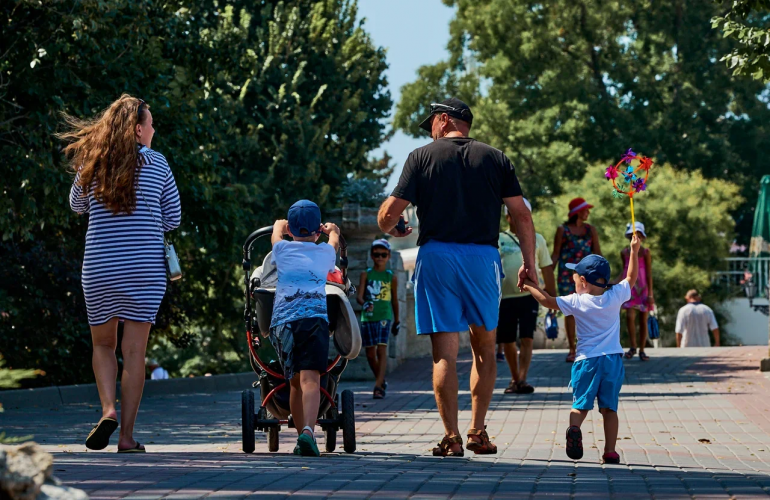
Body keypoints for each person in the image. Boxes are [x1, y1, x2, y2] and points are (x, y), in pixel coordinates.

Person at [377, 98, 538, 457]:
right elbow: (521, 215)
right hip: (483, 258)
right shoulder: (496, 158)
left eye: (431, 124)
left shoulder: (421, 157)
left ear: (444, 119)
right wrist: (529, 263)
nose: (430, 132)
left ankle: (451, 437)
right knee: (485, 348)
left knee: (444, 354)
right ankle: (478, 431)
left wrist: (392, 225)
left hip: (437, 257)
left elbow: (389, 215)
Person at [62, 95, 181, 453]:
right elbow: (173, 218)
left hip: (100, 268)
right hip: (144, 270)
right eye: (151, 124)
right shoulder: (158, 163)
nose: (154, 130)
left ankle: (107, 410)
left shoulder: (94, 161)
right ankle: (126, 437)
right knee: (134, 352)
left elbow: (76, 205)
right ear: (138, 129)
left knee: (103, 344)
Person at [523, 234, 641, 465]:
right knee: (610, 409)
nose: (574, 283)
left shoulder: (576, 301)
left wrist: (529, 285)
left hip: (586, 361)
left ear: (584, 281)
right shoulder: (615, 295)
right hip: (612, 361)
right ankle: (610, 451)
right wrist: (634, 251)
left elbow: (547, 301)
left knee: (580, 405)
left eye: (575, 279)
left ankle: (575, 428)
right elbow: (631, 277)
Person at [268, 200, 339, 457]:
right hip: (313, 321)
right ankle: (308, 432)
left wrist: (278, 227)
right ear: (318, 230)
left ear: (290, 230)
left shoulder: (282, 249)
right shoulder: (325, 252)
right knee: (311, 380)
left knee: (295, 383)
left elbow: (275, 238)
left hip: (284, 324)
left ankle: (301, 437)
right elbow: (334, 244)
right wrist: (334, 232)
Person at [497, 199, 556, 394]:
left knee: (527, 337)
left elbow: (546, 267)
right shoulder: (499, 239)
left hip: (529, 296)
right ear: (508, 217)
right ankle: (514, 378)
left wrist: (552, 297)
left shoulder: (537, 239)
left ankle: (522, 378)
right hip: (505, 297)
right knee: (507, 339)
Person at [552, 197, 602, 363]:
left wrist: (602, 275)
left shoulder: (591, 230)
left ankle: (588, 346)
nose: (588, 212)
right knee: (570, 311)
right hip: (566, 276)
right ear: (578, 212)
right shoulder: (563, 230)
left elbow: (597, 254)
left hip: (587, 276)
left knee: (589, 310)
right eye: (585, 209)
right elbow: (555, 254)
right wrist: (545, 276)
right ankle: (572, 349)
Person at [357, 239, 400, 399]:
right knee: (370, 353)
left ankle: (377, 387)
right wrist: (365, 303)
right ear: (371, 256)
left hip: (384, 316)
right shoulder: (366, 274)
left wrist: (397, 320)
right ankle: (381, 380)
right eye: (377, 255)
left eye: (383, 254)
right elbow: (359, 297)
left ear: (388, 256)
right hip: (368, 317)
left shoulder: (391, 277)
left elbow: (394, 300)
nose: (380, 258)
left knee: (382, 350)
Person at [616, 222, 654, 361]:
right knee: (629, 317)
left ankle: (642, 349)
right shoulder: (624, 253)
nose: (636, 237)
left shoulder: (645, 252)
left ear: (642, 237)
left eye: (639, 235)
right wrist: (615, 284)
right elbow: (624, 271)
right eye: (633, 234)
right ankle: (633, 346)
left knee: (643, 319)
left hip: (643, 290)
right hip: (630, 289)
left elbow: (649, 274)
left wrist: (650, 294)